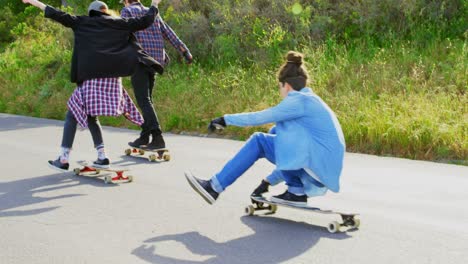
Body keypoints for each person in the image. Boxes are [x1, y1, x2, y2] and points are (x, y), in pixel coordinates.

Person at [185, 51, 346, 206]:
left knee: (259, 141)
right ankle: (295, 191)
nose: (280, 92)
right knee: (276, 132)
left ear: (287, 86)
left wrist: (225, 120)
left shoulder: (298, 101)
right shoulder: (310, 101)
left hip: (316, 168)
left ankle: (214, 187)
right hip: (321, 169)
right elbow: (291, 153)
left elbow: (260, 117)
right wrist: (268, 181)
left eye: (280, 87)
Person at [21, 0, 163, 171]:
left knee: (72, 112)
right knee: (90, 116)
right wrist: (154, 3)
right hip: (112, 81)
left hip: (92, 78)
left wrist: (34, 2)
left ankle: (64, 158)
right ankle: (102, 156)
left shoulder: (83, 22)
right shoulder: (119, 23)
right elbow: (145, 21)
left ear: (92, 12)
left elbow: (58, 14)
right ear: (105, 11)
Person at [120, 0, 193, 149]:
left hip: (140, 60)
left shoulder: (127, 12)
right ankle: (145, 136)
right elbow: (169, 33)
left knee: (144, 100)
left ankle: (158, 137)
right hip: (155, 62)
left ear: (126, 1)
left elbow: (122, 34)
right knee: (148, 100)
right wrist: (185, 52)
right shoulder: (152, 12)